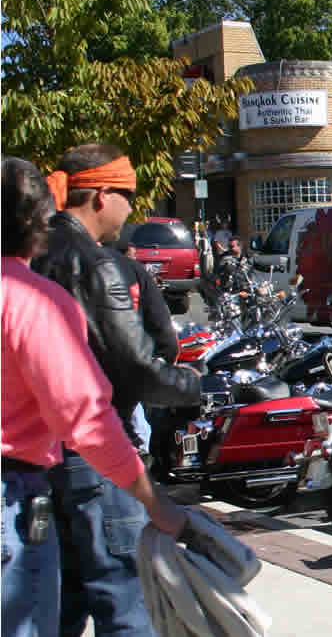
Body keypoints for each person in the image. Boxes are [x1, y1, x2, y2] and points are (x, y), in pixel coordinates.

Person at [2, 156, 186, 637]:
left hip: (40, 481)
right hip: (24, 489)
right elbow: (87, 417)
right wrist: (150, 497)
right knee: (123, 603)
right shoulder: (33, 298)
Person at [109, 237, 179, 463]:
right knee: (134, 421)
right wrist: (167, 356)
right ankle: (140, 458)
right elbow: (161, 325)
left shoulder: (81, 266)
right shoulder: (135, 271)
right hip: (130, 359)